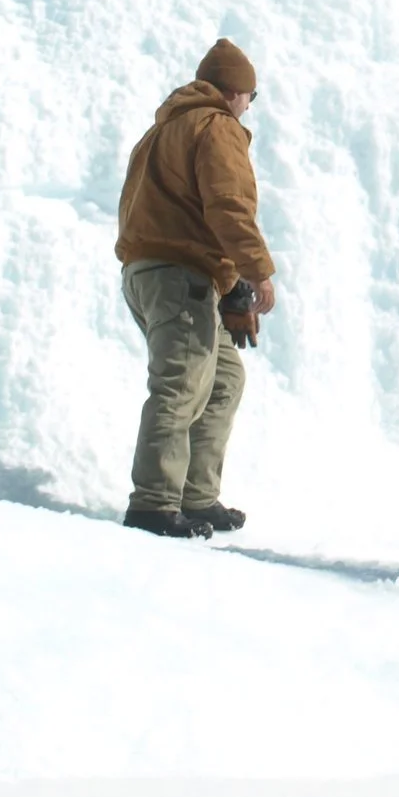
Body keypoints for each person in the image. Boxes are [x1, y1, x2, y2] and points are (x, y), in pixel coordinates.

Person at [113, 38, 278, 538]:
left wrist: (227, 290)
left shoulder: (161, 130)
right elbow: (227, 206)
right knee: (181, 384)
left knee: (224, 379)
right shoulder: (217, 126)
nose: (251, 106)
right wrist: (257, 271)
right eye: (253, 95)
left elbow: (178, 211)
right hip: (178, 276)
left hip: (151, 274)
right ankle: (153, 506)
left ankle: (196, 497)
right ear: (235, 92)